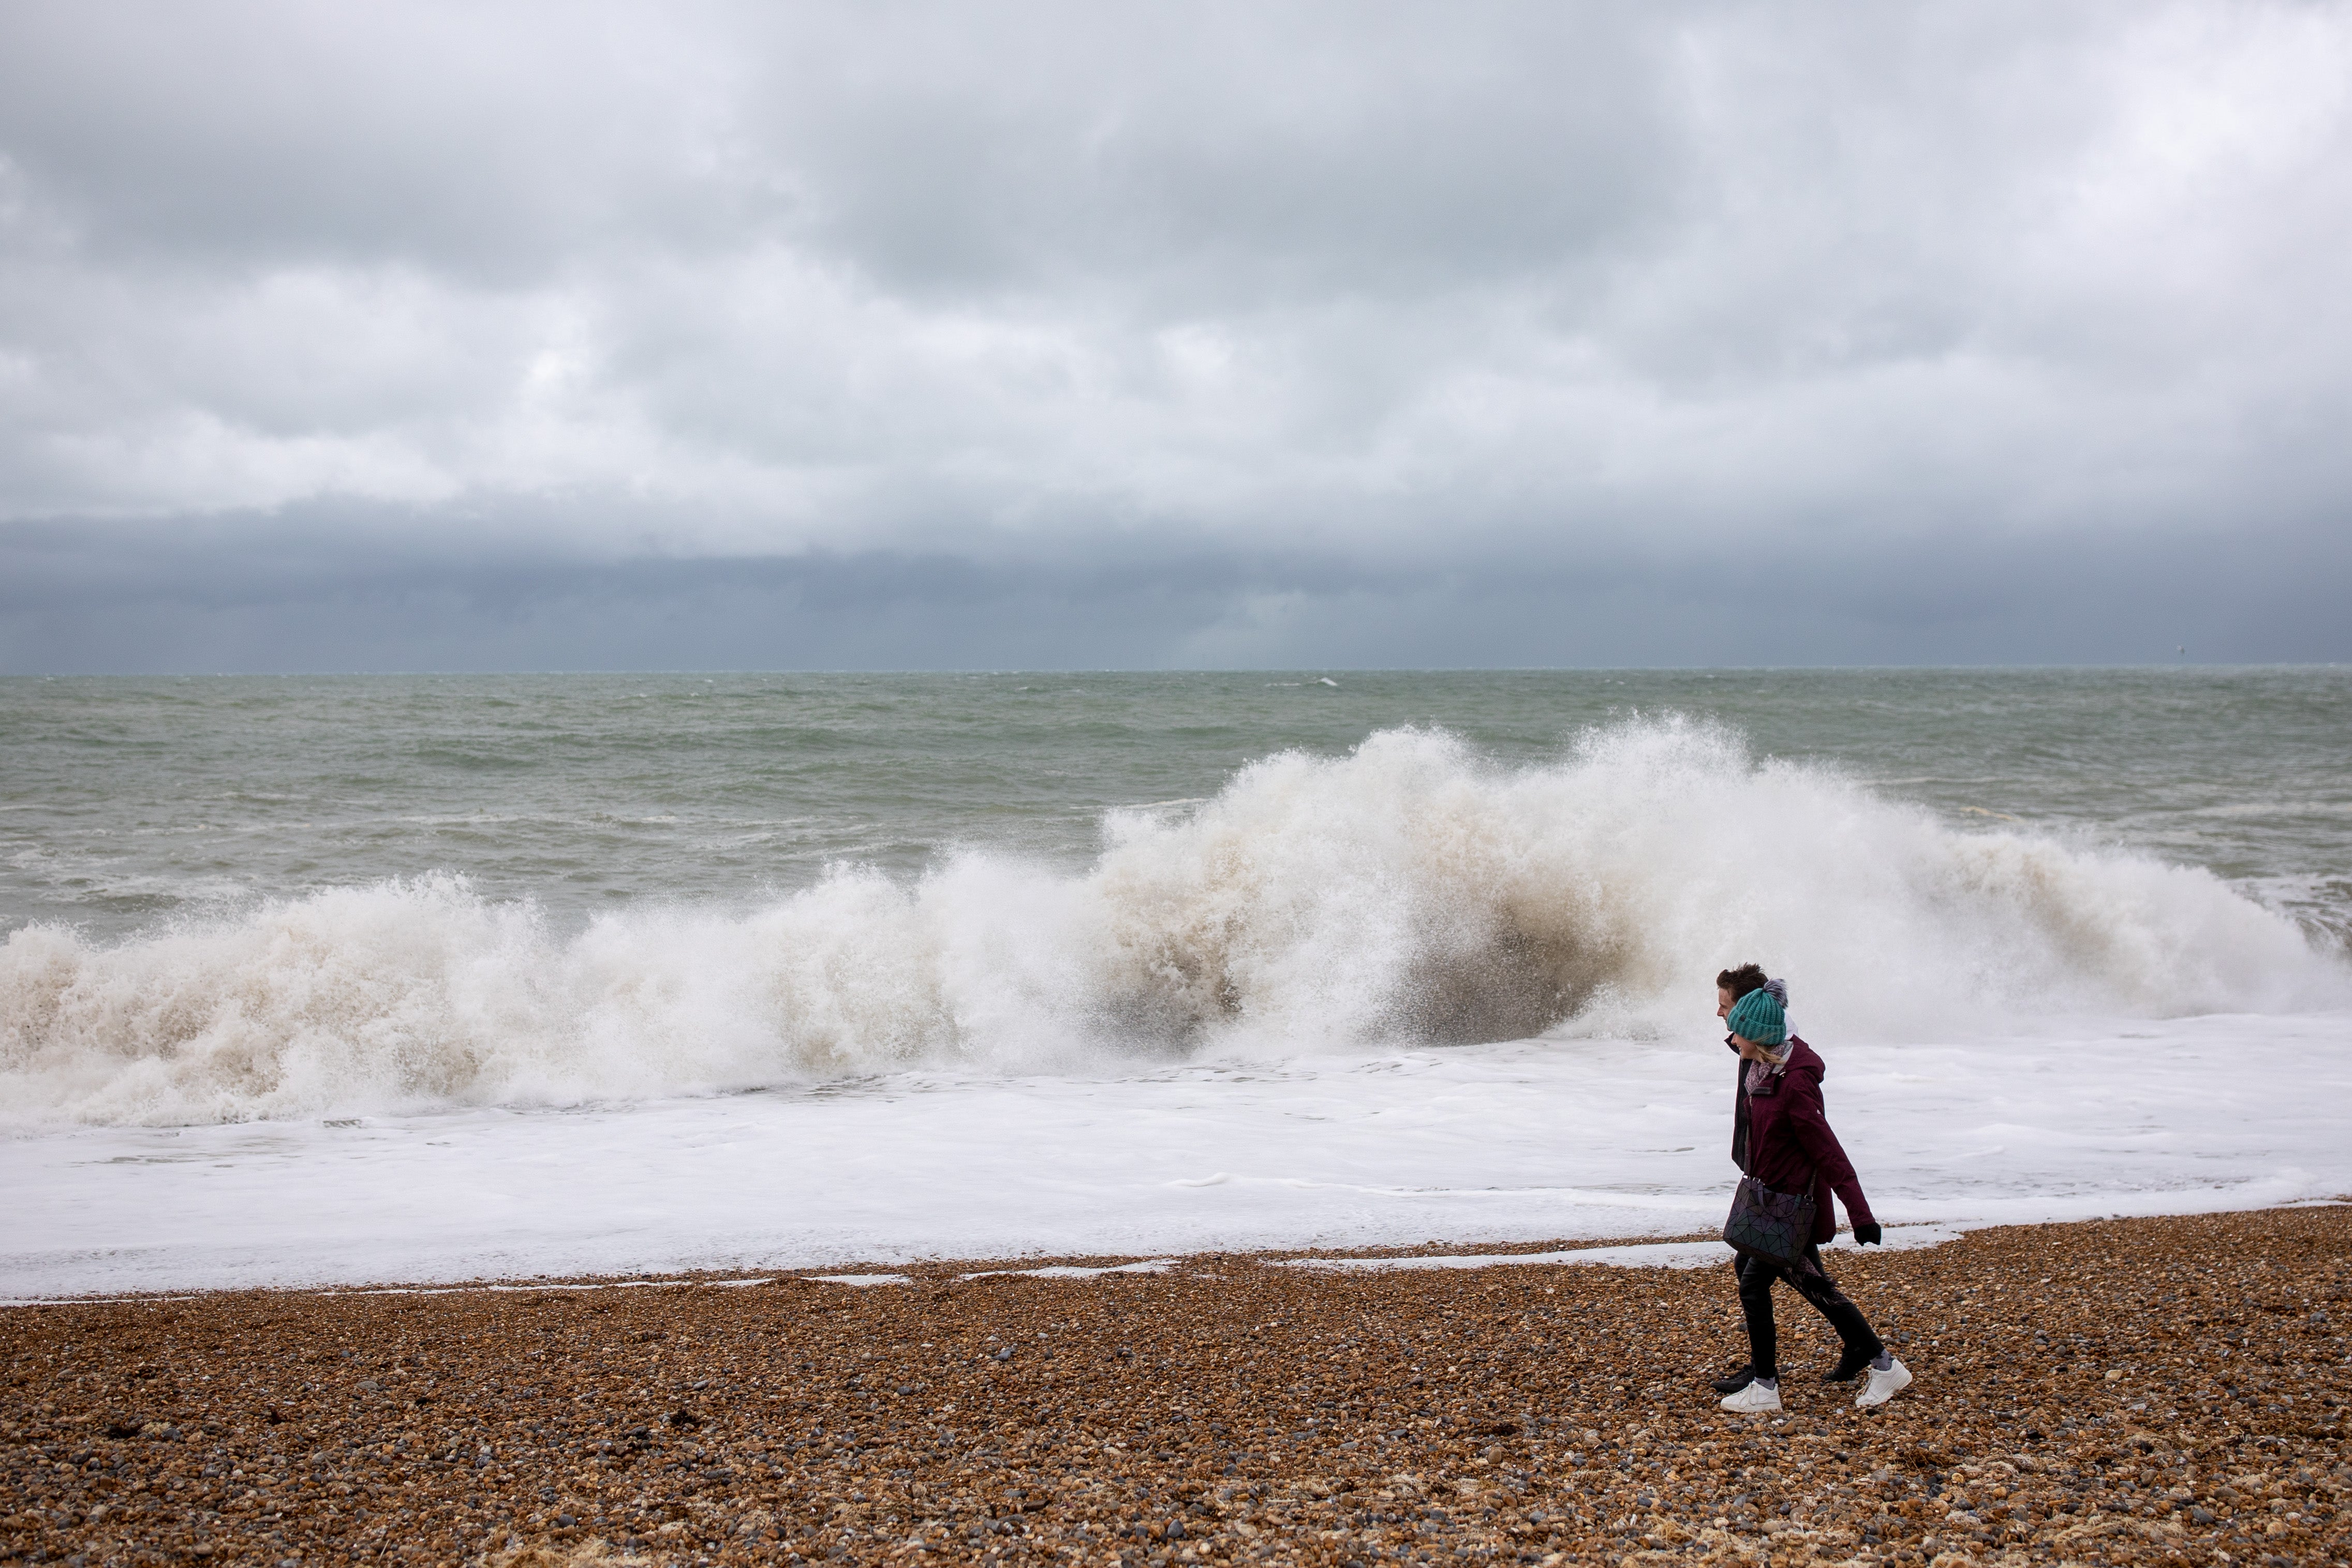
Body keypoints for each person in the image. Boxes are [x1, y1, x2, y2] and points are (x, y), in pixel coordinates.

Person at [1710, 964, 1911, 1413]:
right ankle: (1876, 1359)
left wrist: (1861, 1215)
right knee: (1808, 1282)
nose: (1730, 1040)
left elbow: (1828, 1152)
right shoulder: (1764, 1065)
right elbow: (1757, 1044)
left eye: (1733, 1026)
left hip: (1789, 1206)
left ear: (1755, 1034)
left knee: (1753, 1282)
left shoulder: (1794, 1082)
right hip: (1767, 1199)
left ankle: (1766, 1387)